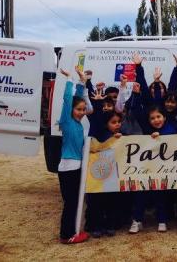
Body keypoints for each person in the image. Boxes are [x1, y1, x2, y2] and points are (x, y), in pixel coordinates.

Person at [129, 105, 177, 234]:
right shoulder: (146, 130)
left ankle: (162, 220)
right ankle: (137, 220)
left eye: (158, 117)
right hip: (146, 170)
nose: (156, 120)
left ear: (164, 117)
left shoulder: (170, 129)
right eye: (152, 118)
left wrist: (160, 136)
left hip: (164, 170)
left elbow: (173, 140)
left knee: (160, 195)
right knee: (140, 193)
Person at [57, 67, 89, 244]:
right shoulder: (67, 121)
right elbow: (68, 100)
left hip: (76, 167)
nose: (82, 112)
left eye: (84, 109)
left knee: (75, 201)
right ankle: (66, 235)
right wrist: (69, 79)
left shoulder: (78, 125)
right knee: (70, 202)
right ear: (71, 111)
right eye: (78, 109)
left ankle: (71, 232)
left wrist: (82, 83)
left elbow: (77, 99)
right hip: (69, 167)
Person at [87, 111, 123, 238]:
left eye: (119, 122)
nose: (117, 125)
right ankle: (96, 226)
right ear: (106, 124)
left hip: (113, 178)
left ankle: (109, 225)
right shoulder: (101, 136)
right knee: (97, 202)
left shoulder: (122, 137)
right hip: (98, 177)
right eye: (113, 122)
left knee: (111, 202)